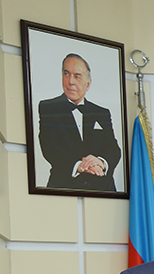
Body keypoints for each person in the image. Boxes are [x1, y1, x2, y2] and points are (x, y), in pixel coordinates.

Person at [37, 53, 121, 192]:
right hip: (63, 189)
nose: (70, 81)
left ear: (88, 84)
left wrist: (100, 162)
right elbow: (49, 147)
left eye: (77, 76)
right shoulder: (48, 107)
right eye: (66, 73)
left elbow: (112, 148)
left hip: (103, 190)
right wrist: (78, 165)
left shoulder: (102, 112)